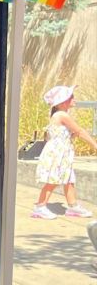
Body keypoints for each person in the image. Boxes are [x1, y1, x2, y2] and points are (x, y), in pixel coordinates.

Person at [31, 85, 96, 219]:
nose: (74, 98)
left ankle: (73, 206)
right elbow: (79, 131)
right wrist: (95, 145)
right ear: (62, 101)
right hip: (57, 153)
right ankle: (40, 207)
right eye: (71, 96)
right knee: (53, 180)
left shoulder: (61, 115)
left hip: (62, 153)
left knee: (68, 179)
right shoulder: (61, 115)